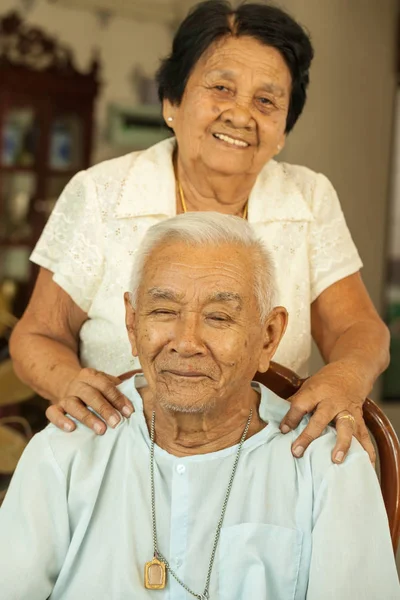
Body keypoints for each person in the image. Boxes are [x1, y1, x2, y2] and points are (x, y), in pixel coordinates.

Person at [9, 0, 389, 465]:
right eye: (221, 88)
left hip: (265, 460)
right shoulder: (102, 194)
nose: (241, 114)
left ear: (283, 129)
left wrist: (346, 376)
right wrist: (68, 381)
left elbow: (357, 327)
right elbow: (37, 335)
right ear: (172, 102)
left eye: (267, 101)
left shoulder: (308, 197)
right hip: (118, 454)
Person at [1, 213, 398, 600]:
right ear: (131, 323)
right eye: (163, 311)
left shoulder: (327, 465)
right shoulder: (66, 450)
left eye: (219, 316)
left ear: (268, 336)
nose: (186, 342)